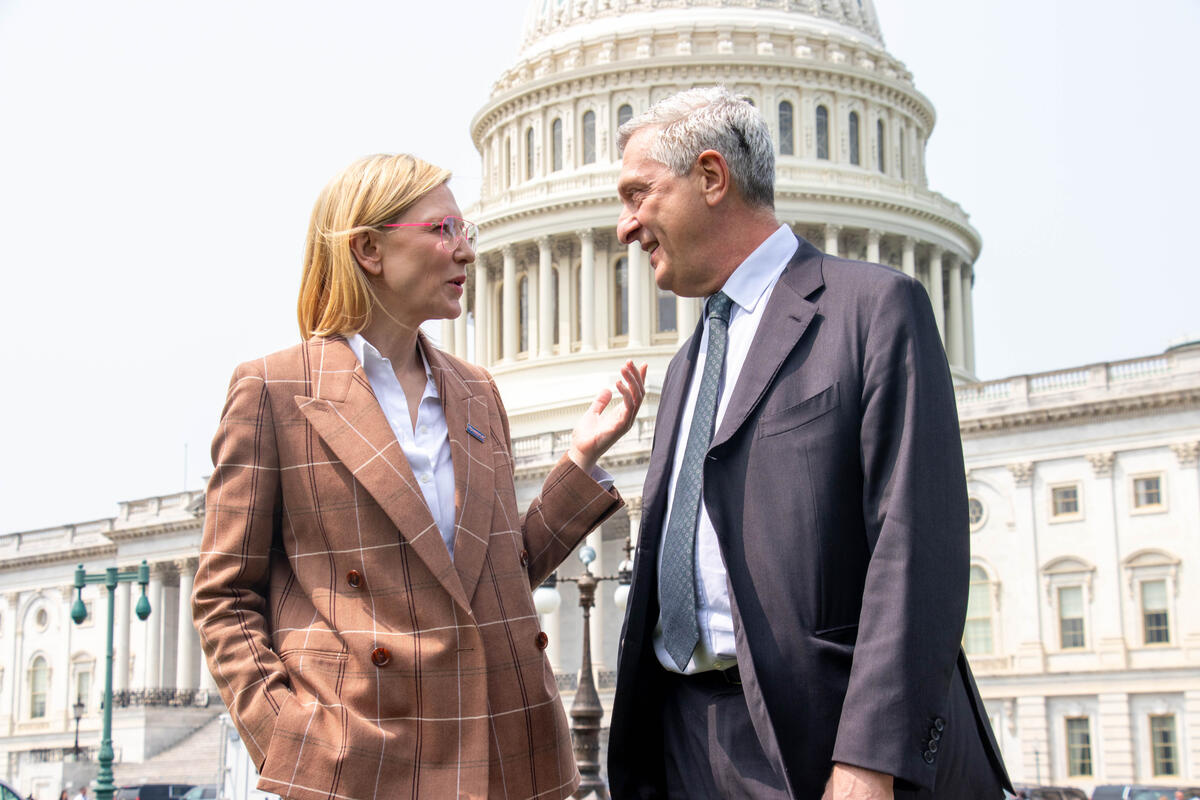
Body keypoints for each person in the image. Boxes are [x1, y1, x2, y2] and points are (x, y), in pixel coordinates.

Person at [192, 153, 647, 800]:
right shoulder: (275, 390)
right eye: (443, 231)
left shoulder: (476, 393)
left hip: (504, 754)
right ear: (369, 249)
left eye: (468, 233)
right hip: (365, 763)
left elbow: (493, 577)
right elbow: (226, 598)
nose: (465, 252)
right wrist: (293, 742)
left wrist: (578, 463)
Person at [605, 86, 1012, 799]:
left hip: (814, 742)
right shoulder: (690, 360)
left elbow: (916, 546)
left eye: (639, 194)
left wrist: (869, 759)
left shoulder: (870, 308)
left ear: (711, 177)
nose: (623, 226)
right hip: (684, 741)